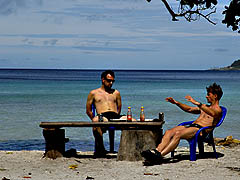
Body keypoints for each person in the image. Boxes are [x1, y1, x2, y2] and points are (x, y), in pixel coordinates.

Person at [141, 83, 223, 163]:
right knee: (169, 132)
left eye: (209, 94)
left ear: (215, 96)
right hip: (192, 127)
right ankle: (157, 151)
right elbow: (189, 109)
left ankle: (159, 156)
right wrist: (177, 103)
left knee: (178, 134)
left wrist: (198, 104)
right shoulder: (205, 107)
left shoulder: (218, 110)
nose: (206, 96)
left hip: (200, 131)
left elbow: (213, 113)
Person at [86, 70, 125, 156]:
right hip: (103, 116)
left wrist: (117, 117)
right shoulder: (94, 93)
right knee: (96, 121)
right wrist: (93, 118)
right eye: (109, 80)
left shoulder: (116, 92)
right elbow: (88, 110)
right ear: (103, 80)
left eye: (112, 81)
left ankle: (126, 148)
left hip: (115, 116)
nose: (111, 83)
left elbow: (119, 107)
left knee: (133, 121)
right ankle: (101, 148)